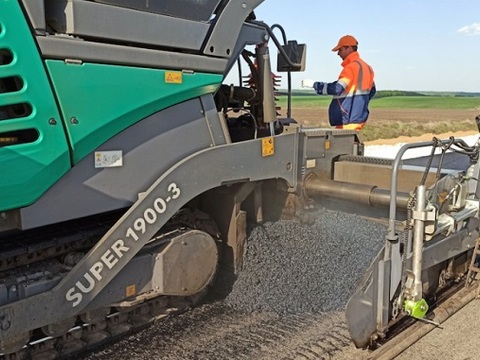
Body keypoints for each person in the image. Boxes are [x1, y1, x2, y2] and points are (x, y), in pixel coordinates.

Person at [302, 35, 376, 130]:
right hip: (358, 119)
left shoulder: (351, 67)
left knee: (340, 143)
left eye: (340, 50)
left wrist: (314, 85)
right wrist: (359, 106)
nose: (338, 54)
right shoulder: (367, 68)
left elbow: (337, 88)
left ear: (348, 48)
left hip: (347, 119)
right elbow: (372, 90)